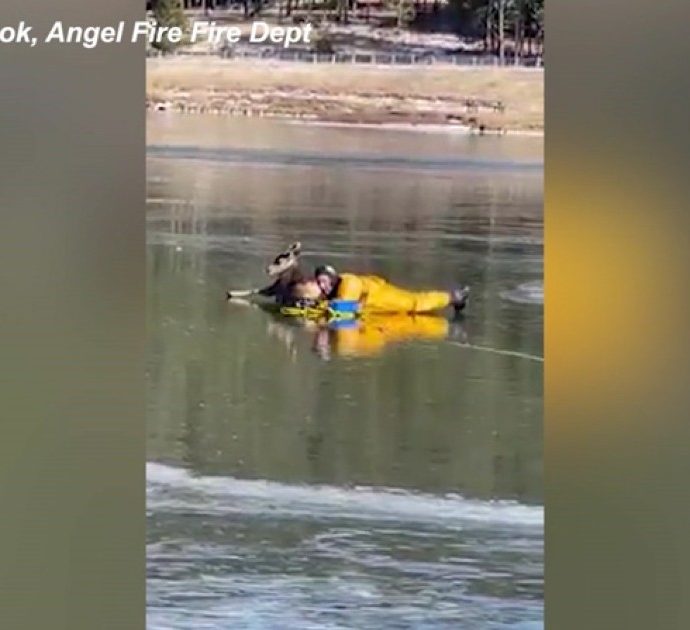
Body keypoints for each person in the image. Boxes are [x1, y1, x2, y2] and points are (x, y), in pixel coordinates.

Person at [313, 265, 470, 315]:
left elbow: (345, 308)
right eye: (319, 283)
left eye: (324, 282)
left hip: (383, 297)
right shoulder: (332, 291)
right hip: (377, 310)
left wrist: (320, 306)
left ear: (332, 279)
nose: (322, 286)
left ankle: (454, 297)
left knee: (415, 303)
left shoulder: (349, 283)